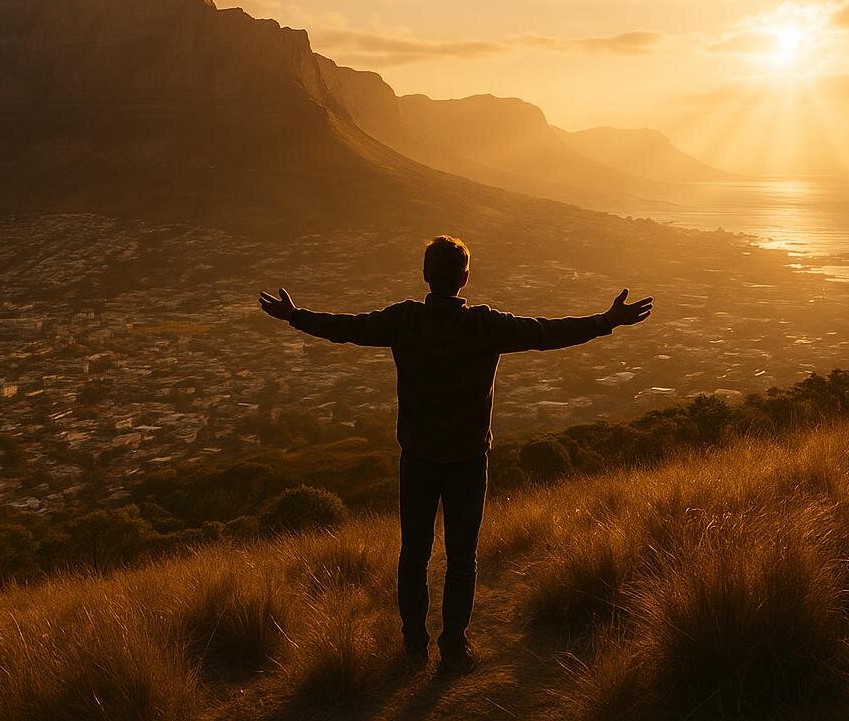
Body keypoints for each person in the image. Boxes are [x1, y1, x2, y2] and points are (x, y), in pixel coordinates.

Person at [258, 234, 652, 675]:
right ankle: (454, 647)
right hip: (468, 460)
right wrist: (607, 320)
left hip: (418, 459)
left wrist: (295, 316)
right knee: (462, 558)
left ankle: (413, 646)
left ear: (426, 276)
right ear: (465, 278)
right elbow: (549, 332)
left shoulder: (405, 321)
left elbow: (348, 328)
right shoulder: (485, 325)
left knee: (414, 555)